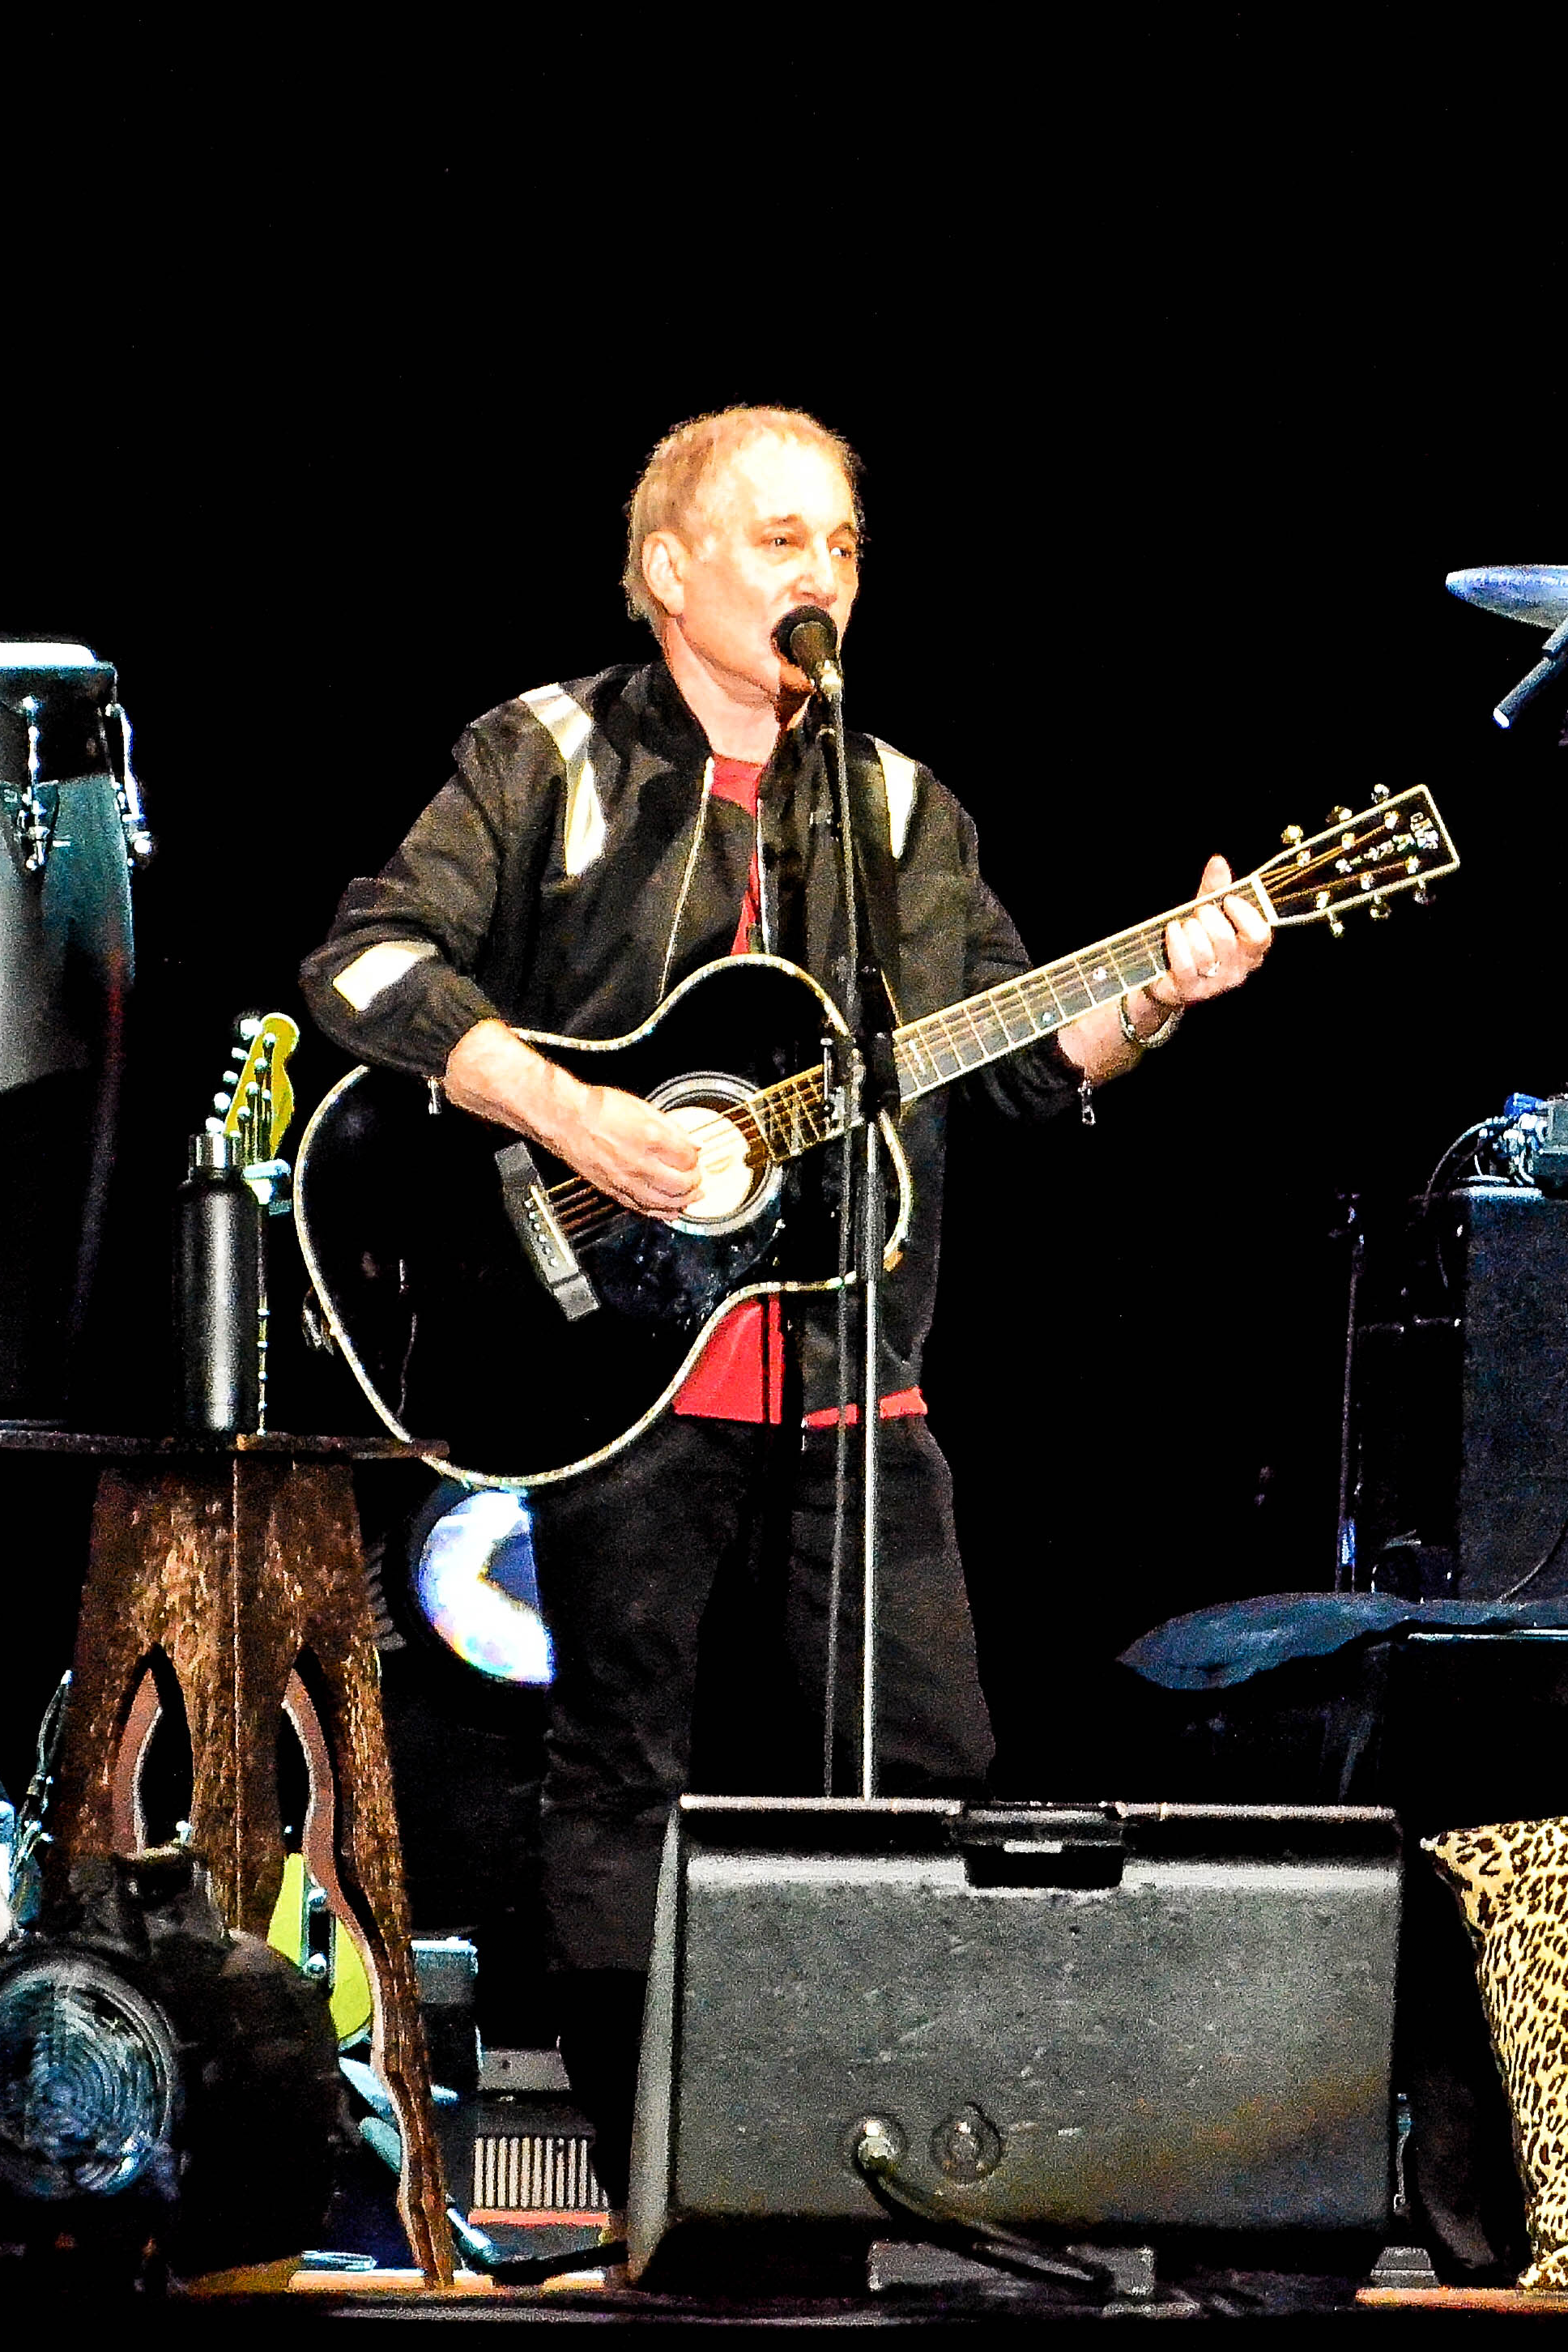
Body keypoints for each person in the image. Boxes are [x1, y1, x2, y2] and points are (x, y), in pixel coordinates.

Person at [300, 405, 1272, 2178]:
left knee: (930, 1760)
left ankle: (871, 2151)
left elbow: (1020, 1064)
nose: (819, 572)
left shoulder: (900, 808)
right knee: (625, 1766)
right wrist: (572, 1113)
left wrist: (1154, 994)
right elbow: (364, 964)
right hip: (613, 1363)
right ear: (667, 570)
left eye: (840, 543)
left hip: (852, 1367)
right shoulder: (547, 755)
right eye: (777, 539)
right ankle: (645, 2173)